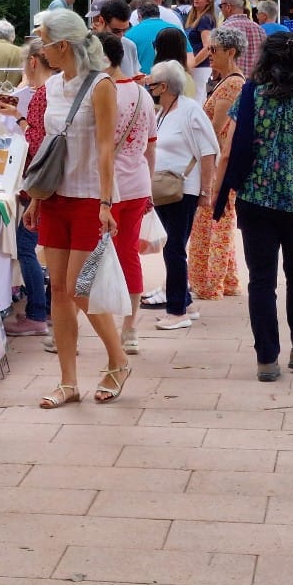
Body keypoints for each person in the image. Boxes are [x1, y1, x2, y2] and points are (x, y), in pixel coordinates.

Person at [216, 32, 293, 380]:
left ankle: (267, 360)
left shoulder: (250, 99)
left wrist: (218, 195)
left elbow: (228, 152)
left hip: (255, 201)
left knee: (261, 280)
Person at [24, 7, 132, 407]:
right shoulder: (52, 87)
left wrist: (106, 202)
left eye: (44, 41)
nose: (40, 49)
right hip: (55, 197)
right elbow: (47, 149)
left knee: (78, 286)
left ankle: (117, 359)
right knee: (59, 291)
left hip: (90, 197)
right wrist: (35, 197)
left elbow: (107, 150)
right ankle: (68, 381)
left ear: (62, 45)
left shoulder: (102, 85)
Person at [147, 60, 219, 330]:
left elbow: (208, 151)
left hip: (183, 190)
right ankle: (184, 301)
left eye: (152, 83)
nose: (150, 88)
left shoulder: (190, 111)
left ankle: (177, 311)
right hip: (166, 188)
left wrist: (205, 190)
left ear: (163, 86)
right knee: (173, 246)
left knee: (174, 248)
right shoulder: (163, 111)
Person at [99, 32, 156, 355]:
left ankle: (92, 323)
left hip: (103, 188)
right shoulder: (143, 95)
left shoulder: (98, 93)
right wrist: (149, 183)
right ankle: (129, 328)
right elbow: (150, 146)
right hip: (136, 185)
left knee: (92, 257)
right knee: (128, 254)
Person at [0, 36, 54, 337]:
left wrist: (17, 116)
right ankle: (47, 310)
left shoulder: (43, 94)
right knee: (44, 248)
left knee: (26, 246)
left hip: (41, 180)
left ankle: (37, 313)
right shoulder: (52, 90)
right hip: (48, 180)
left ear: (33, 62)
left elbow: (38, 139)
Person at [188, 26, 248, 302]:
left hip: (218, 165)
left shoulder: (232, 84)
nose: (210, 55)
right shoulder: (229, 82)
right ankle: (227, 279)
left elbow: (216, 128)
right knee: (217, 220)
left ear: (231, 52)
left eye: (215, 50)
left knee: (213, 221)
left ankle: (210, 282)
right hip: (219, 163)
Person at [217, 0, 266, 78]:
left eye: (221, 6)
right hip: (254, 82)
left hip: (232, 80)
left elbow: (218, 57)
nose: (221, 10)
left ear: (228, 7)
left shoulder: (225, 28)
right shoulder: (259, 29)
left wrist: (216, 77)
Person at [90, 0, 141, 76]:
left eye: (125, 30)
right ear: (101, 21)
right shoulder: (86, 47)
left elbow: (134, 74)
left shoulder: (130, 46)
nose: (121, 36)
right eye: (116, 31)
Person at [184, 0, 218, 98]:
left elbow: (208, 47)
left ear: (208, 1)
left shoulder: (204, 19)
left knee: (197, 99)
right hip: (198, 66)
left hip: (200, 67)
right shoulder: (196, 18)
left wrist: (192, 64)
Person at [125, 2, 174, 72]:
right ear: (158, 14)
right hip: (170, 79)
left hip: (141, 80)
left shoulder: (129, 34)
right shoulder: (176, 30)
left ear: (139, 16)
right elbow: (189, 58)